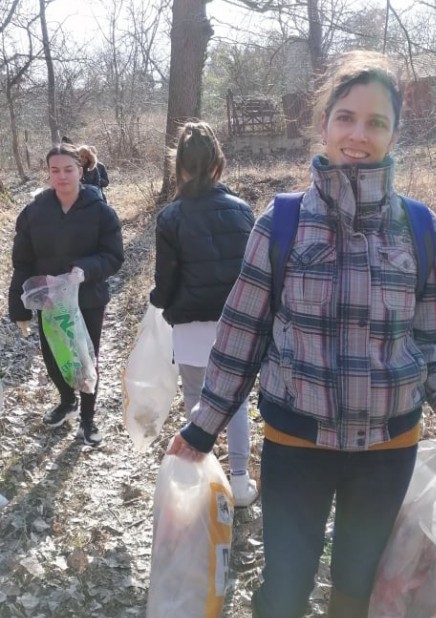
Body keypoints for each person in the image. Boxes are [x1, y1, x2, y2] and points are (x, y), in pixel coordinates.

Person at [167, 50, 436, 618]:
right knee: (287, 589)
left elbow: (434, 352)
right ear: (322, 126)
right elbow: (242, 335)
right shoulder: (283, 223)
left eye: (376, 123)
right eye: (346, 118)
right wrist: (201, 428)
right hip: (298, 447)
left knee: (354, 588)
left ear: (395, 134)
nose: (359, 135)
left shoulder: (422, 231)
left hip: (386, 454)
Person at [149, 121, 258, 507]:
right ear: (218, 163)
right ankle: (241, 482)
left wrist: (156, 298)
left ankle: (202, 475)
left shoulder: (171, 217)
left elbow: (165, 284)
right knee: (237, 401)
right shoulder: (244, 211)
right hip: (237, 325)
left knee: (197, 398)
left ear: (179, 166)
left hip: (191, 325)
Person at [8, 143, 124, 446]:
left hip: (88, 298)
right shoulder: (35, 212)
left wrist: (85, 269)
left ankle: (87, 419)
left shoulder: (100, 211)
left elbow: (113, 256)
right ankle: (66, 401)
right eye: (54, 170)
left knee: (85, 358)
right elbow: (22, 261)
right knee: (54, 358)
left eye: (68, 169)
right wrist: (17, 306)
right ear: (48, 174)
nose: (61, 176)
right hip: (48, 301)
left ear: (81, 170)